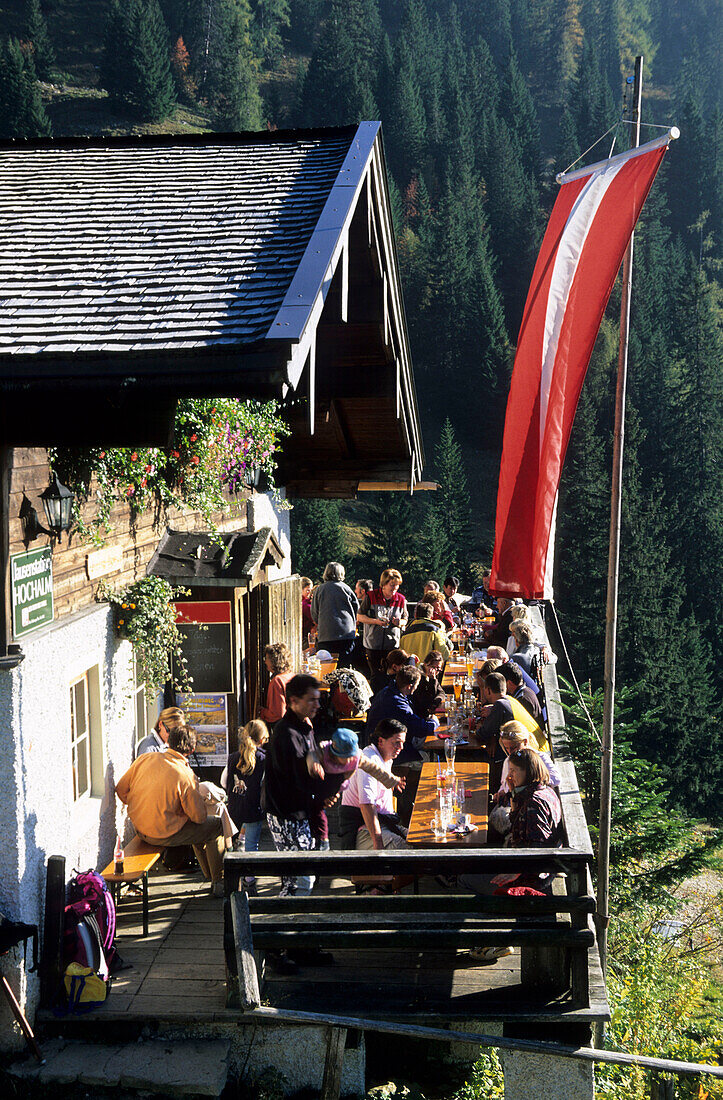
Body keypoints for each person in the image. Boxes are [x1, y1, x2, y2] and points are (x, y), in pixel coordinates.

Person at [461, 748, 563, 956]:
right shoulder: (542, 791)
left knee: (465, 879)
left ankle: (494, 940)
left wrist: (516, 871)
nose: (509, 775)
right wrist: (513, 793)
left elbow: (539, 848)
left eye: (514, 771)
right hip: (529, 867)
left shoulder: (535, 803)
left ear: (529, 771)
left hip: (531, 878)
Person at [116, 724, 225, 895]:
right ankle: (218, 882)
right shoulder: (185, 774)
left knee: (199, 831)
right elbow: (199, 817)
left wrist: (140, 804)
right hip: (162, 834)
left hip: (140, 828)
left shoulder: (145, 759)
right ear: (192, 748)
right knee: (215, 826)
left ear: (169, 741)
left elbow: (121, 789)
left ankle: (210, 876)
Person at [261, 673, 322, 898]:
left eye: (317, 699)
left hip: (301, 811)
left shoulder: (305, 726)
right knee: (296, 880)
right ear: (294, 701)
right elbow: (300, 776)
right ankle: (285, 922)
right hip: (286, 813)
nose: (317, 704)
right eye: (311, 700)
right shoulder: (286, 733)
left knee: (302, 875)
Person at [306, 727, 404, 848]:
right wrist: (314, 764)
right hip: (323, 782)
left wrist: (393, 781)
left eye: (351, 756)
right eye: (346, 757)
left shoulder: (357, 757)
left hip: (340, 783)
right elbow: (312, 754)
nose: (350, 760)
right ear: (334, 753)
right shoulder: (324, 750)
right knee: (319, 810)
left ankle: (322, 840)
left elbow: (375, 769)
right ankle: (321, 842)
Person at [340, 719, 410, 853]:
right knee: (408, 850)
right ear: (381, 741)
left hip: (384, 823)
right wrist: (378, 843)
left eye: (402, 743)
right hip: (363, 830)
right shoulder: (370, 759)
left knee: (420, 839)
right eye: (396, 743)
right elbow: (367, 805)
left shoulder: (384, 758)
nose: (401, 748)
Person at [221, 719, 269, 895]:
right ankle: (250, 882)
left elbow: (225, 781)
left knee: (231, 845)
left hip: (234, 806)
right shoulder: (263, 758)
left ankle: (231, 880)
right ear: (262, 739)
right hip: (253, 807)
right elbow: (265, 783)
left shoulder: (233, 757)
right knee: (252, 846)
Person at [470, 672, 549, 757]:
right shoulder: (510, 699)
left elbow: (482, 735)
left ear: (488, 690)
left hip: (536, 754)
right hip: (543, 748)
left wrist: (478, 726)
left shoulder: (500, 705)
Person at [357, 568, 409, 680]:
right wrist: (375, 621)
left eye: (397, 585)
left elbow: (406, 619)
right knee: (375, 676)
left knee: (392, 676)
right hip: (372, 645)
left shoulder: (401, 599)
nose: (395, 587)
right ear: (384, 584)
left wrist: (400, 622)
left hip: (392, 645)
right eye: (392, 584)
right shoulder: (371, 596)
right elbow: (359, 616)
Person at [311, 562, 359, 663]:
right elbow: (357, 609)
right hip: (346, 634)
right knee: (344, 665)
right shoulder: (347, 589)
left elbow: (314, 612)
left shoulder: (319, 590)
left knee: (326, 665)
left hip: (326, 634)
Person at [259, 642, 294, 724]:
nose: (265, 662)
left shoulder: (277, 681)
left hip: (288, 728)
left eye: (266, 658)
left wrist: (261, 712)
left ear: (274, 661)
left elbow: (277, 714)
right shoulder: (291, 675)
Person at [410, 650, 446, 718]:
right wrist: (432, 680)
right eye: (432, 667)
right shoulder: (418, 677)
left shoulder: (433, 676)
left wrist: (437, 701)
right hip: (418, 715)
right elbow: (426, 701)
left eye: (438, 669)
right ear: (425, 664)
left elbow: (441, 692)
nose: (434, 671)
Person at [301, 577, 314, 648]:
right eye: (308, 590)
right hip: (305, 637)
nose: (310, 593)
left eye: (311, 590)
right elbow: (315, 620)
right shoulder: (306, 604)